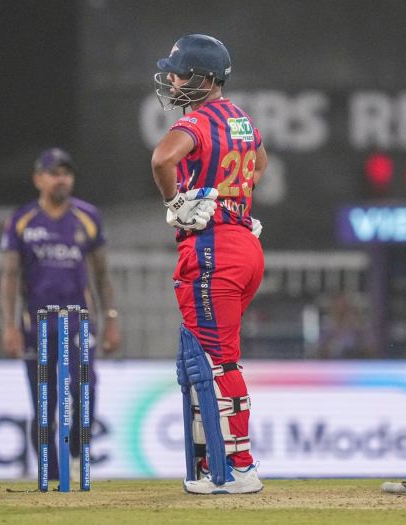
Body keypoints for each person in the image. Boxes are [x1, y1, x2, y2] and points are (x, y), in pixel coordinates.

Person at [151, 34, 267, 494]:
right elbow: (259, 165)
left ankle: (240, 468)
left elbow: (162, 159)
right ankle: (212, 463)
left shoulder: (197, 121)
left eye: (179, 74)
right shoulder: (241, 119)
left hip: (213, 249)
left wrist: (177, 202)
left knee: (217, 363)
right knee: (205, 359)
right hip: (243, 244)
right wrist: (234, 199)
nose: (173, 82)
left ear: (202, 78)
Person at [0, 147, 121, 481]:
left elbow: (102, 275)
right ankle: (51, 475)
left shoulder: (87, 216)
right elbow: (9, 275)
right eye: (54, 173)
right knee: (44, 403)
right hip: (36, 324)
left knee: (85, 387)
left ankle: (78, 455)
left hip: (78, 320)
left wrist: (110, 320)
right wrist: (8, 325)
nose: (62, 179)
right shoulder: (22, 219)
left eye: (66, 173)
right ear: (38, 179)